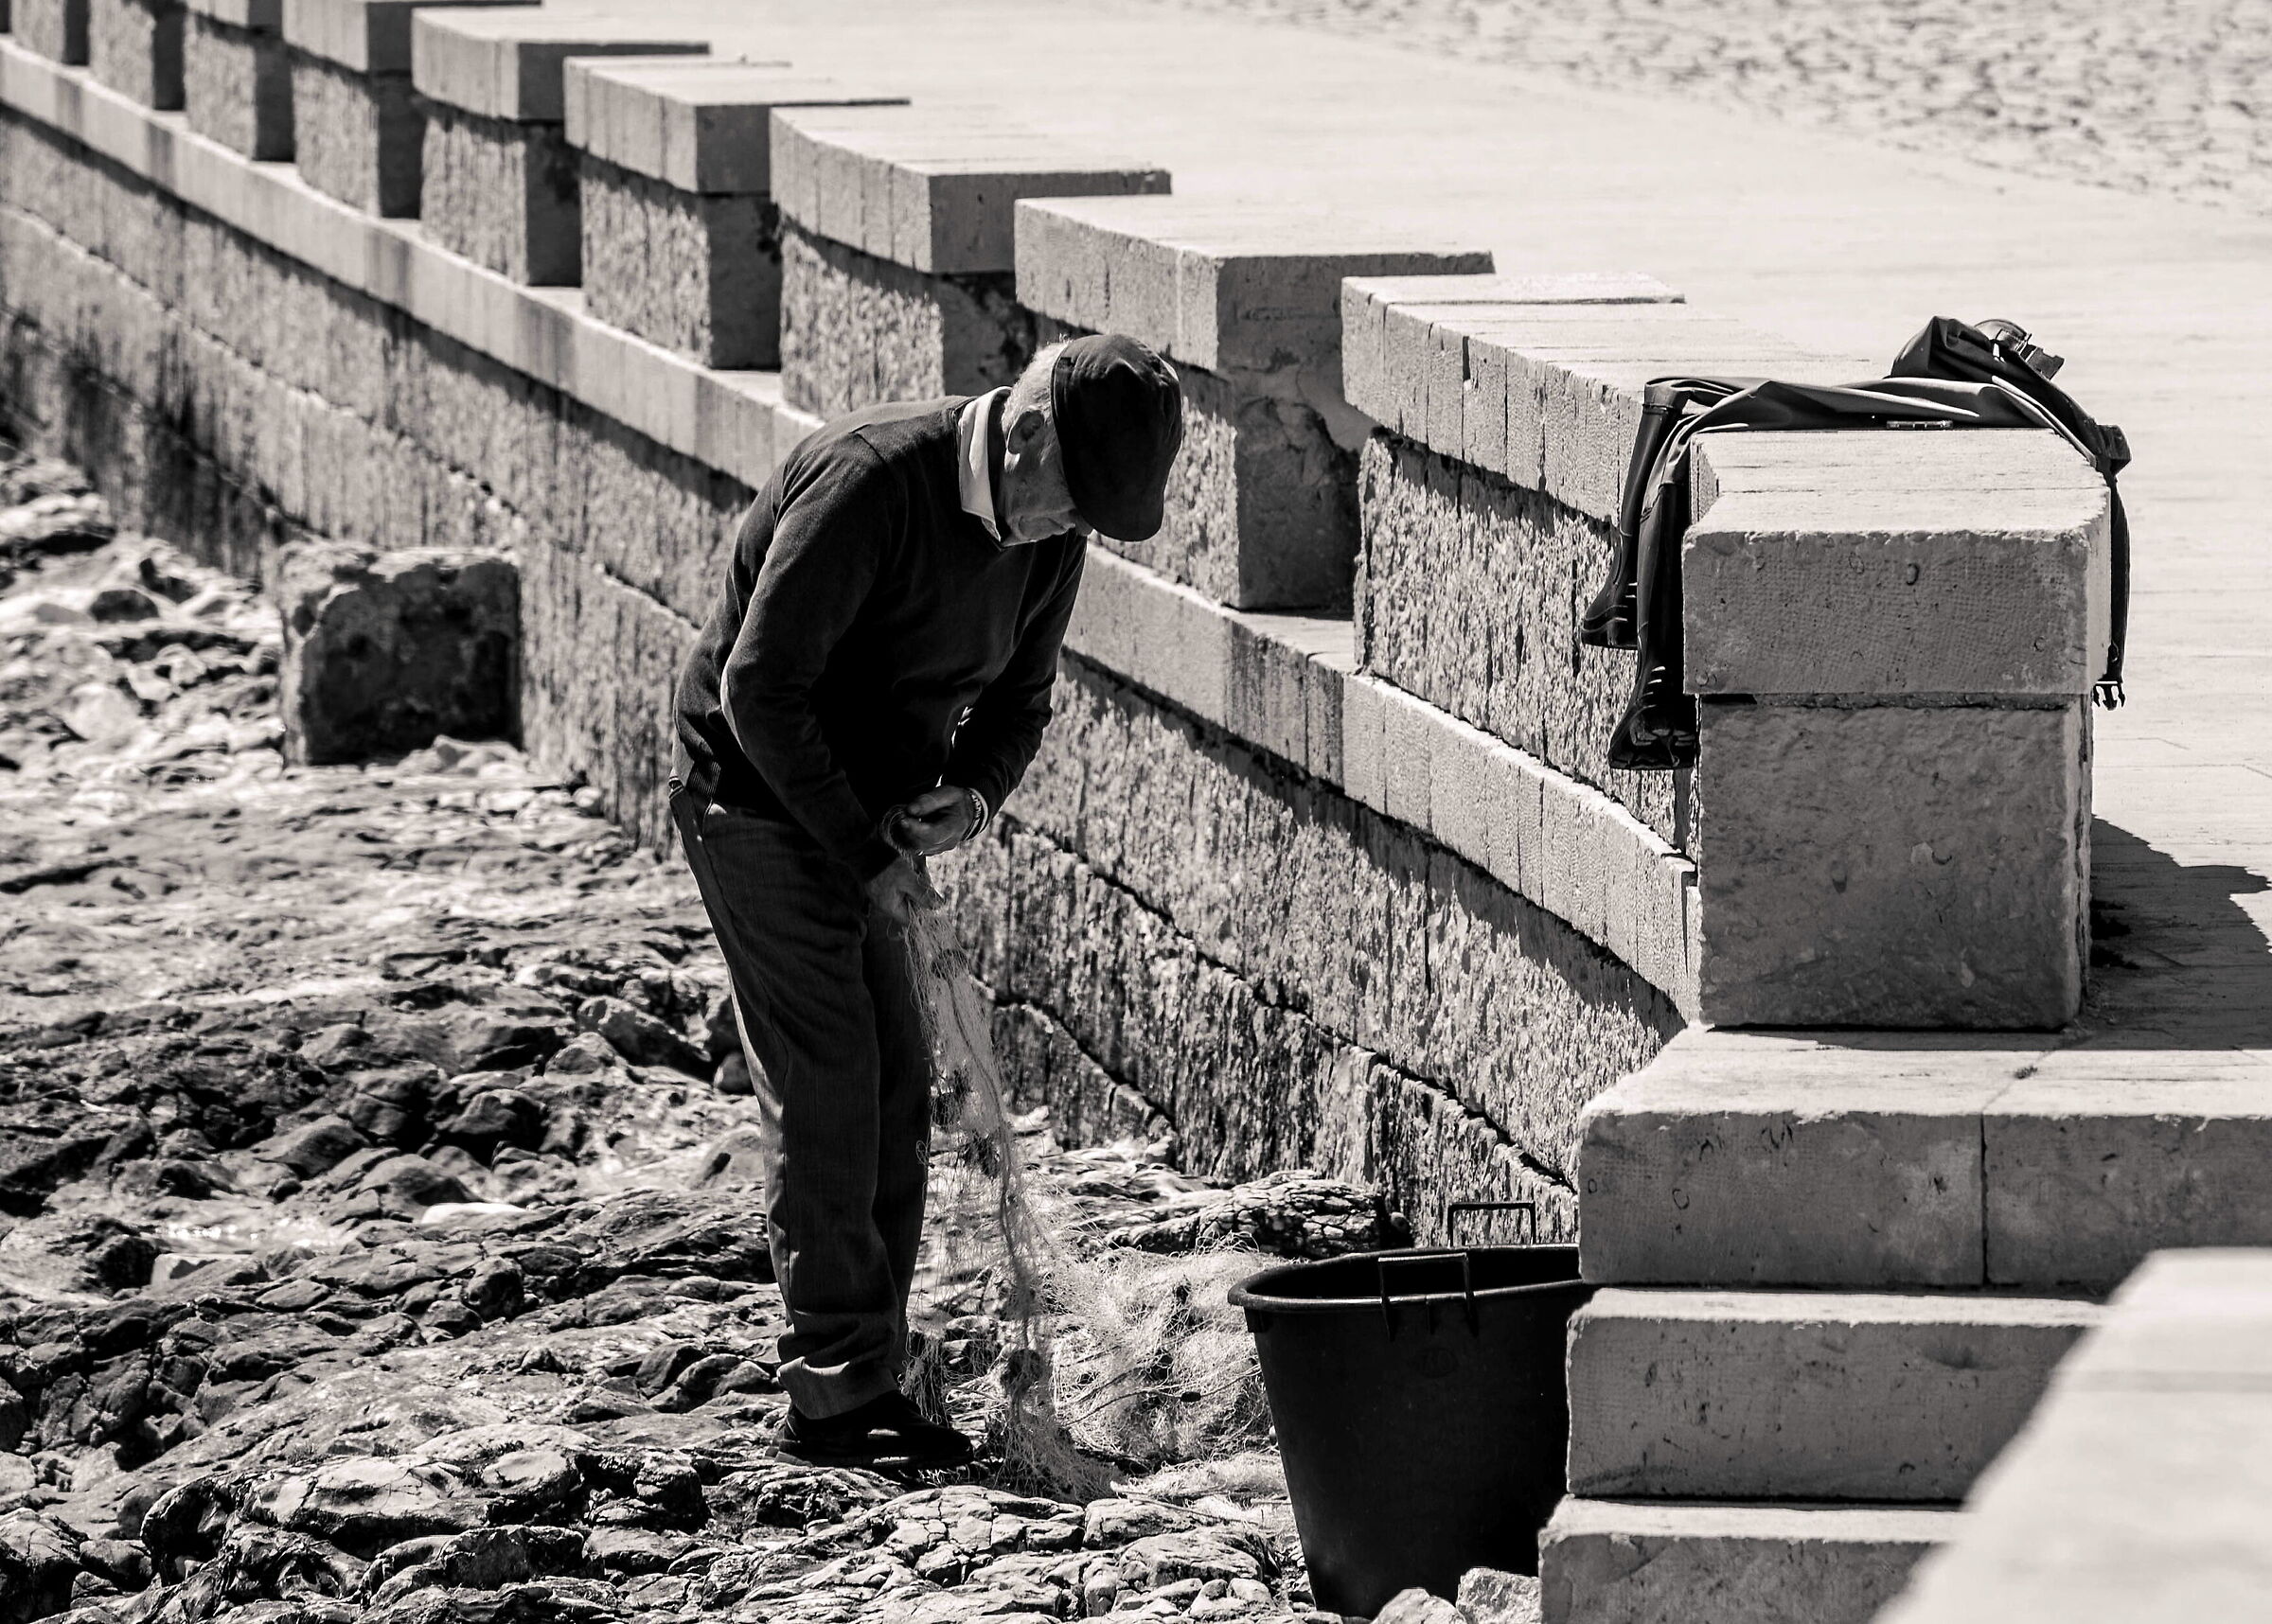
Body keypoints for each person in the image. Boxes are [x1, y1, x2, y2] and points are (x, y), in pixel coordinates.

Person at [668, 334, 1184, 1468]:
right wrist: (864, 851)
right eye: (1070, 502)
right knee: (831, 1073)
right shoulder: (870, 483)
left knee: (898, 1080)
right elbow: (761, 690)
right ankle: (834, 1392)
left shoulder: (1051, 531)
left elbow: (1024, 700)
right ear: (1025, 431)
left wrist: (975, 795)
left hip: (871, 819)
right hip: (753, 801)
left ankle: (868, 1362)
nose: (1070, 529)